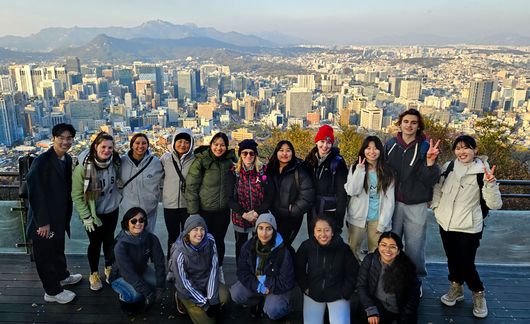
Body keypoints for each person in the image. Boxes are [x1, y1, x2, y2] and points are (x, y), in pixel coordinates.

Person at [431, 135, 502, 319]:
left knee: (466, 263)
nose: (462, 152)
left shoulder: (482, 171)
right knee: (452, 259)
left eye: (466, 148)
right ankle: (456, 288)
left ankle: (478, 293)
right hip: (446, 223)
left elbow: (494, 204)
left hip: (469, 226)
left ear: (475, 150)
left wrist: (491, 184)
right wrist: (436, 207)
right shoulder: (449, 167)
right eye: (458, 148)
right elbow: (438, 187)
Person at [384, 108, 440, 293]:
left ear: (419, 126)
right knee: (392, 242)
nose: (409, 125)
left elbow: (429, 179)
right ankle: (392, 278)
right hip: (392, 203)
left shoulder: (424, 146)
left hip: (416, 203)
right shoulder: (391, 144)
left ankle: (414, 280)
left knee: (415, 245)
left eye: (413, 122)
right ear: (400, 124)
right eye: (406, 121)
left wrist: (430, 162)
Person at [26, 123, 82, 304]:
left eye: (69, 138)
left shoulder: (65, 159)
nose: (65, 142)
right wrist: (42, 222)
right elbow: (35, 192)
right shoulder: (41, 162)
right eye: (61, 138)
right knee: (45, 254)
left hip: (58, 217)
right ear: (53, 138)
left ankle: (62, 276)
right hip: (44, 221)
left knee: (57, 248)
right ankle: (52, 291)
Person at [72, 132, 121, 291]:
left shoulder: (114, 162)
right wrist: (86, 216)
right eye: (103, 147)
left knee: (109, 241)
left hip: (111, 210)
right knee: (94, 243)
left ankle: (109, 267)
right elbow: (77, 194)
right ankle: (93, 273)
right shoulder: (83, 168)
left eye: (110, 147)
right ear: (95, 147)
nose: (106, 150)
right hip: (93, 213)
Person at [185, 132, 237, 280]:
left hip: (223, 210)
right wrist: (193, 212)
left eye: (222, 145)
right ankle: (201, 271)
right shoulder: (202, 161)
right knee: (201, 241)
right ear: (211, 145)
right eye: (216, 144)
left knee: (219, 241)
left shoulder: (230, 161)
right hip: (203, 211)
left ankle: (218, 268)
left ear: (226, 147)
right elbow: (191, 186)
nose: (219, 148)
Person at [230, 213, 295, 320]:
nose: (264, 233)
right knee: (236, 294)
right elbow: (242, 272)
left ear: (274, 230)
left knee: (273, 310)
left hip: (276, 288)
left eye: (268, 229)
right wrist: (258, 286)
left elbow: (286, 282)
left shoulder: (283, 251)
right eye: (260, 228)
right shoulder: (248, 246)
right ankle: (258, 301)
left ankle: (285, 306)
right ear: (256, 229)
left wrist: (266, 282)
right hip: (258, 284)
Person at [295, 216, 358, 324]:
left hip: (337, 295)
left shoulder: (343, 248)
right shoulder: (307, 246)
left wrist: (344, 292)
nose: (323, 234)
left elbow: (353, 272)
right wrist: (305, 287)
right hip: (313, 294)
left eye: (327, 230)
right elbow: (298, 268)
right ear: (313, 232)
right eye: (319, 230)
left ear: (332, 232)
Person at [167, 215, 229, 324]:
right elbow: (184, 283)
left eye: (202, 229)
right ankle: (181, 299)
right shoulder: (179, 253)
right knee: (209, 322)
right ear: (188, 232)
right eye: (195, 229)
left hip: (205, 280)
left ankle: (205, 300)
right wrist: (205, 304)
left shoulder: (210, 241)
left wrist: (212, 299)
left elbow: (213, 269)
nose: (199, 233)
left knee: (225, 297)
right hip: (188, 289)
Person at [345, 136, 395, 262]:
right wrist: (360, 170)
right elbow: (352, 191)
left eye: (375, 148)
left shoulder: (388, 172)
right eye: (368, 148)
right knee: (353, 250)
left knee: (377, 252)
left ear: (380, 151)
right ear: (363, 150)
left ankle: (373, 277)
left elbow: (390, 201)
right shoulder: (355, 167)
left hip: (378, 219)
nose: (372, 152)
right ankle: (356, 276)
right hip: (357, 217)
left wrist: (383, 224)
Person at [109, 207, 166, 315]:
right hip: (121, 276)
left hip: (141, 270)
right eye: (133, 221)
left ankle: (143, 292)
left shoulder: (151, 238)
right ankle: (124, 299)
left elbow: (160, 263)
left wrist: (160, 288)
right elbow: (128, 274)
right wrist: (148, 293)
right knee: (136, 295)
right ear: (127, 223)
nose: (138, 223)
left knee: (156, 283)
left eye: (141, 220)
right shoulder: (120, 245)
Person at [357, 232, 420, 324]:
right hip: (377, 304)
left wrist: (404, 317)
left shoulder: (406, 267)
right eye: (383, 245)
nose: (387, 249)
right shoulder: (369, 260)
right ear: (378, 247)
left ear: (398, 251)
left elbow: (413, 297)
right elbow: (361, 286)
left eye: (392, 247)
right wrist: (370, 309)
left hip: (398, 309)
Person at [227, 139, 272, 261]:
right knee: (241, 247)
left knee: (259, 247)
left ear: (256, 155)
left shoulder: (263, 171)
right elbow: (229, 198)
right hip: (240, 218)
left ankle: (258, 273)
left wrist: (257, 212)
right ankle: (242, 275)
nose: (248, 156)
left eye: (251, 153)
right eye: (244, 153)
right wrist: (243, 214)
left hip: (260, 217)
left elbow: (269, 196)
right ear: (240, 155)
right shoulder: (234, 173)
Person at [266, 140, 314, 245]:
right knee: (272, 245)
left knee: (284, 245)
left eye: (288, 150)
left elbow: (307, 195)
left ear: (292, 152)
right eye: (281, 150)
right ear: (276, 152)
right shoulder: (270, 169)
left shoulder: (299, 170)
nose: (284, 154)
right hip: (273, 215)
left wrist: (294, 210)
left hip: (291, 219)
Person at [303, 125, 348, 234]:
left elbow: (342, 192)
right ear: (316, 142)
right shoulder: (310, 160)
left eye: (328, 143)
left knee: (328, 241)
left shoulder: (337, 162)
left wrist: (339, 218)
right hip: (313, 209)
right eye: (322, 141)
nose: (325, 146)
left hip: (330, 210)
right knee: (313, 238)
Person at [160, 128, 195, 257]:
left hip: (188, 206)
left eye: (186, 142)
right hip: (170, 205)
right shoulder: (166, 159)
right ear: (174, 142)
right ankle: (171, 265)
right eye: (179, 141)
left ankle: (187, 264)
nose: (182, 145)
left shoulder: (195, 160)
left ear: (191, 143)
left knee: (189, 237)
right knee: (173, 237)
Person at [120, 133, 163, 233]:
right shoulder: (123, 161)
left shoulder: (155, 162)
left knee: (147, 238)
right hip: (129, 210)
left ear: (148, 145)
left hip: (149, 210)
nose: (140, 146)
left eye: (144, 143)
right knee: (129, 238)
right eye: (137, 143)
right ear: (132, 145)